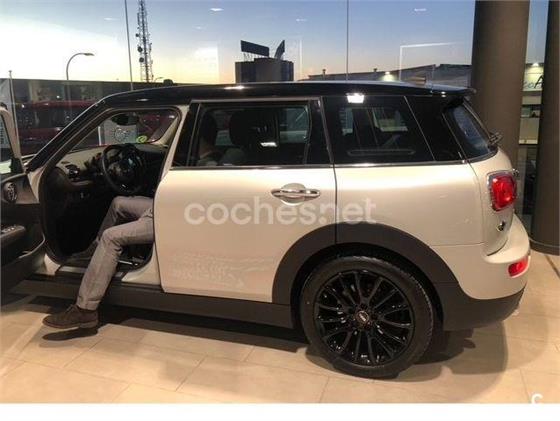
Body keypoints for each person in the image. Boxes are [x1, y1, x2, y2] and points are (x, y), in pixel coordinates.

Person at [43, 114, 220, 329]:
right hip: (161, 209)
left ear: (196, 134)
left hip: (169, 218)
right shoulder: (200, 158)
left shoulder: (206, 165)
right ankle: (94, 253)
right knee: (118, 202)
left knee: (111, 237)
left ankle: (85, 310)